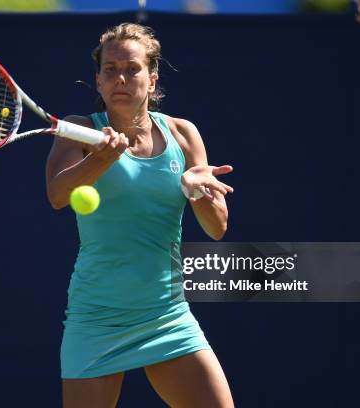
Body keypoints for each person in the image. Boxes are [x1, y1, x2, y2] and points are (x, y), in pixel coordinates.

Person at [45, 22, 235, 408]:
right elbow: (57, 195)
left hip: (167, 315)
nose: (120, 78)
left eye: (132, 69)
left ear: (151, 79)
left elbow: (217, 228)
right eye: (110, 70)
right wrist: (100, 160)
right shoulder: (80, 131)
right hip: (97, 318)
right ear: (97, 81)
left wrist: (196, 190)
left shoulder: (183, 135)